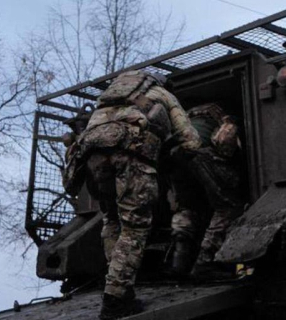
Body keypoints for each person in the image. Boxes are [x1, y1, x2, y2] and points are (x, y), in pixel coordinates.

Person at [63, 70, 200, 320]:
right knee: (134, 226)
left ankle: (118, 287)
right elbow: (191, 142)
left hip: (94, 160)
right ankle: (115, 299)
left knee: (112, 220)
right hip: (131, 156)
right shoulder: (162, 94)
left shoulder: (105, 101)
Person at [168, 103, 246, 279]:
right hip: (201, 155)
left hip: (175, 159)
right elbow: (224, 142)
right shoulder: (224, 117)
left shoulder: (185, 117)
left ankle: (178, 263)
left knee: (187, 208)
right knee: (228, 207)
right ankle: (205, 264)